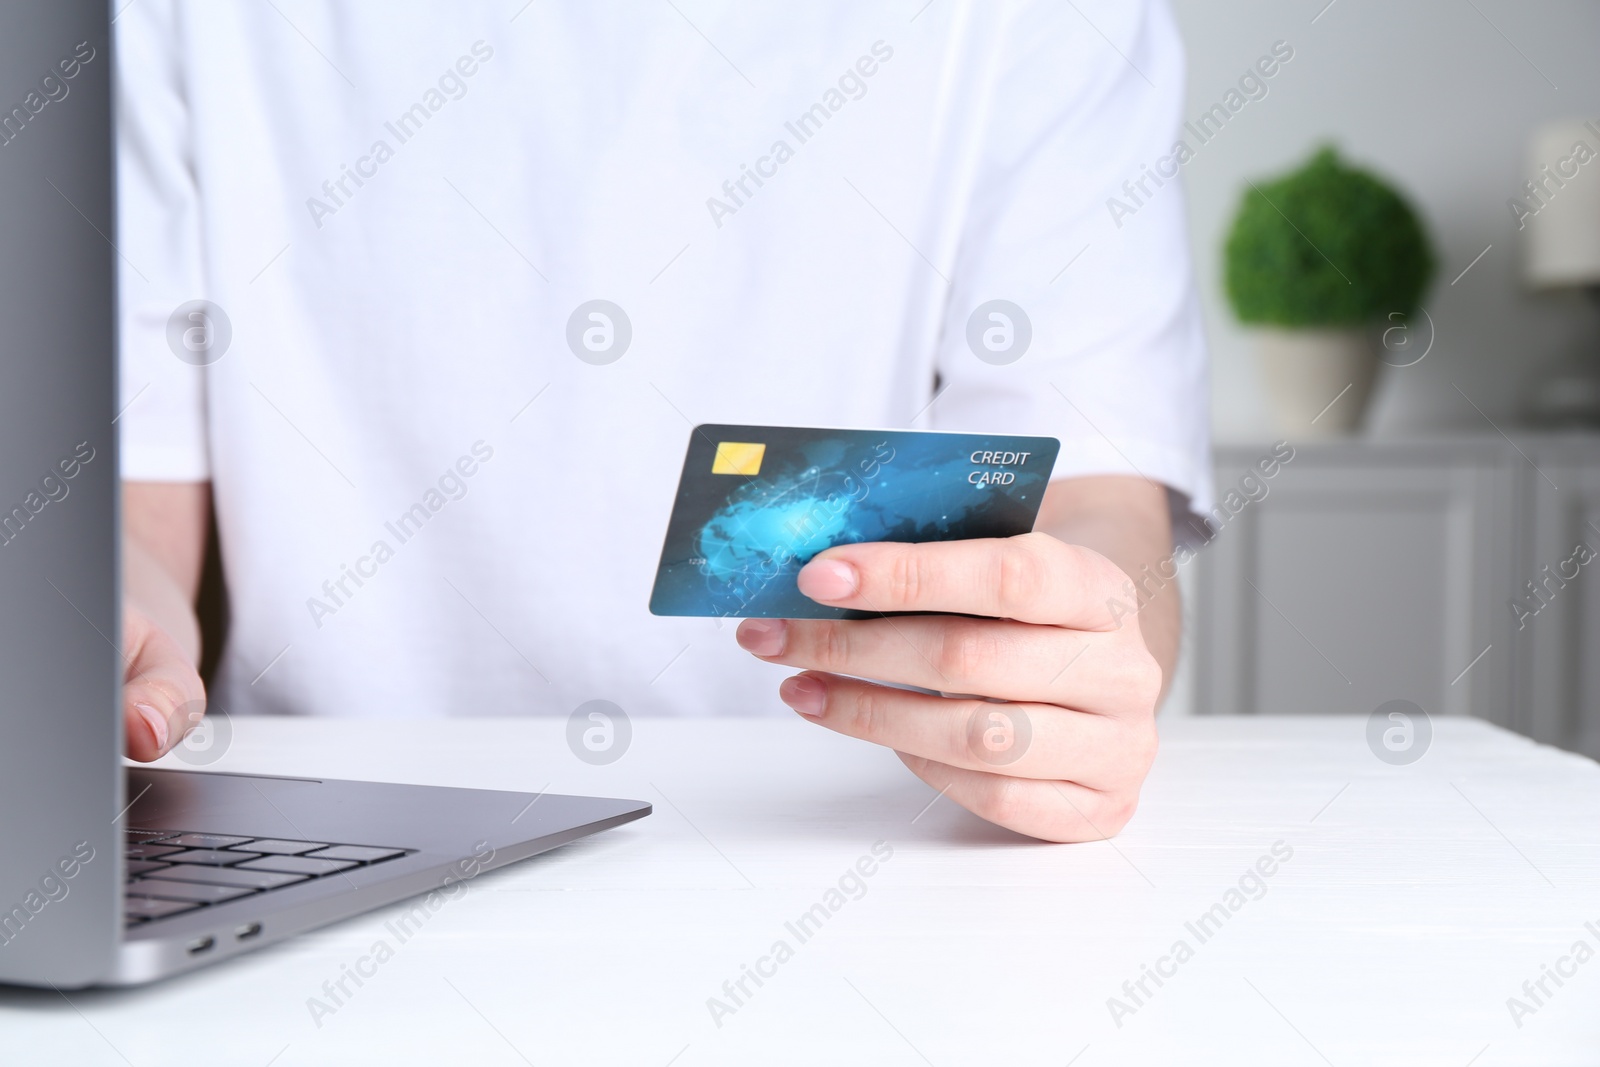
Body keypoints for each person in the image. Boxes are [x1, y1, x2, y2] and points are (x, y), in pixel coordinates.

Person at [116, 0, 1209, 843]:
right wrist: (107, 632)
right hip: (322, 825)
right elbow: (131, 510)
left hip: (852, 835)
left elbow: (1096, 503)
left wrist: (1073, 656)